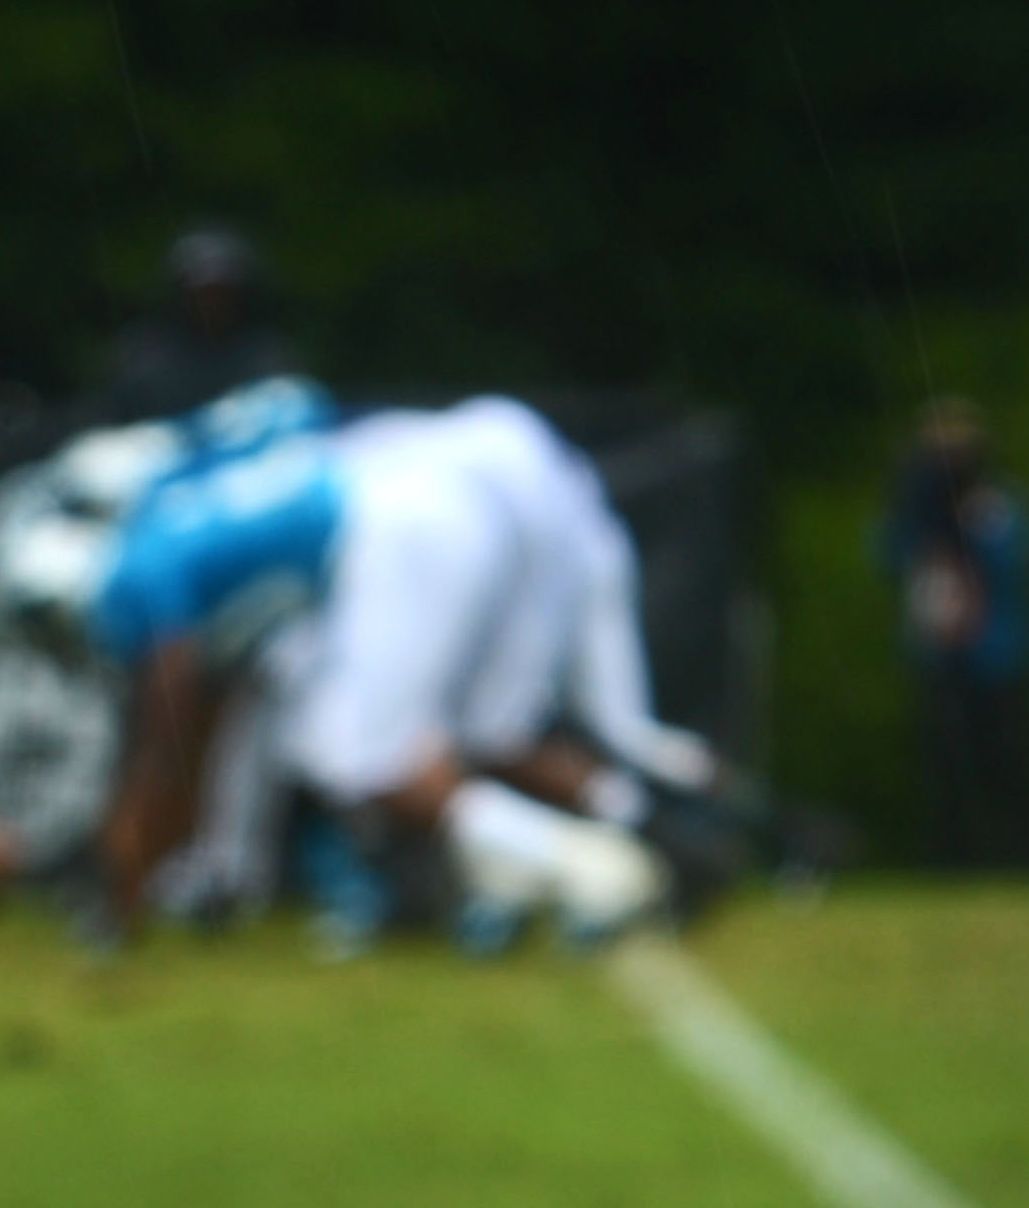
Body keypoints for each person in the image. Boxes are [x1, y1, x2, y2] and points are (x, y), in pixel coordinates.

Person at [89, 408, 669, 949]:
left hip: (398, 529)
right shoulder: (191, 505)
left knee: (368, 761)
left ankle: (588, 865)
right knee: (467, 737)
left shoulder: (134, 573)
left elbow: (169, 738)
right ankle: (505, 879)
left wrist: (123, 886)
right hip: (458, 513)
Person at [876, 394, 1029, 866]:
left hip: (996, 654)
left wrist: (967, 518)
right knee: (946, 765)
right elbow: (889, 557)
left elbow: (1011, 562)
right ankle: (954, 859)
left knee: (1009, 760)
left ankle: (1025, 858)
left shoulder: (998, 504)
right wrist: (912, 506)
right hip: (937, 655)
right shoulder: (915, 514)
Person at [91, 224, 298, 425]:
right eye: (202, 293)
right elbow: (113, 423)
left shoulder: (268, 356)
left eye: (222, 293)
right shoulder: (142, 354)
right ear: (180, 293)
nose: (212, 303)